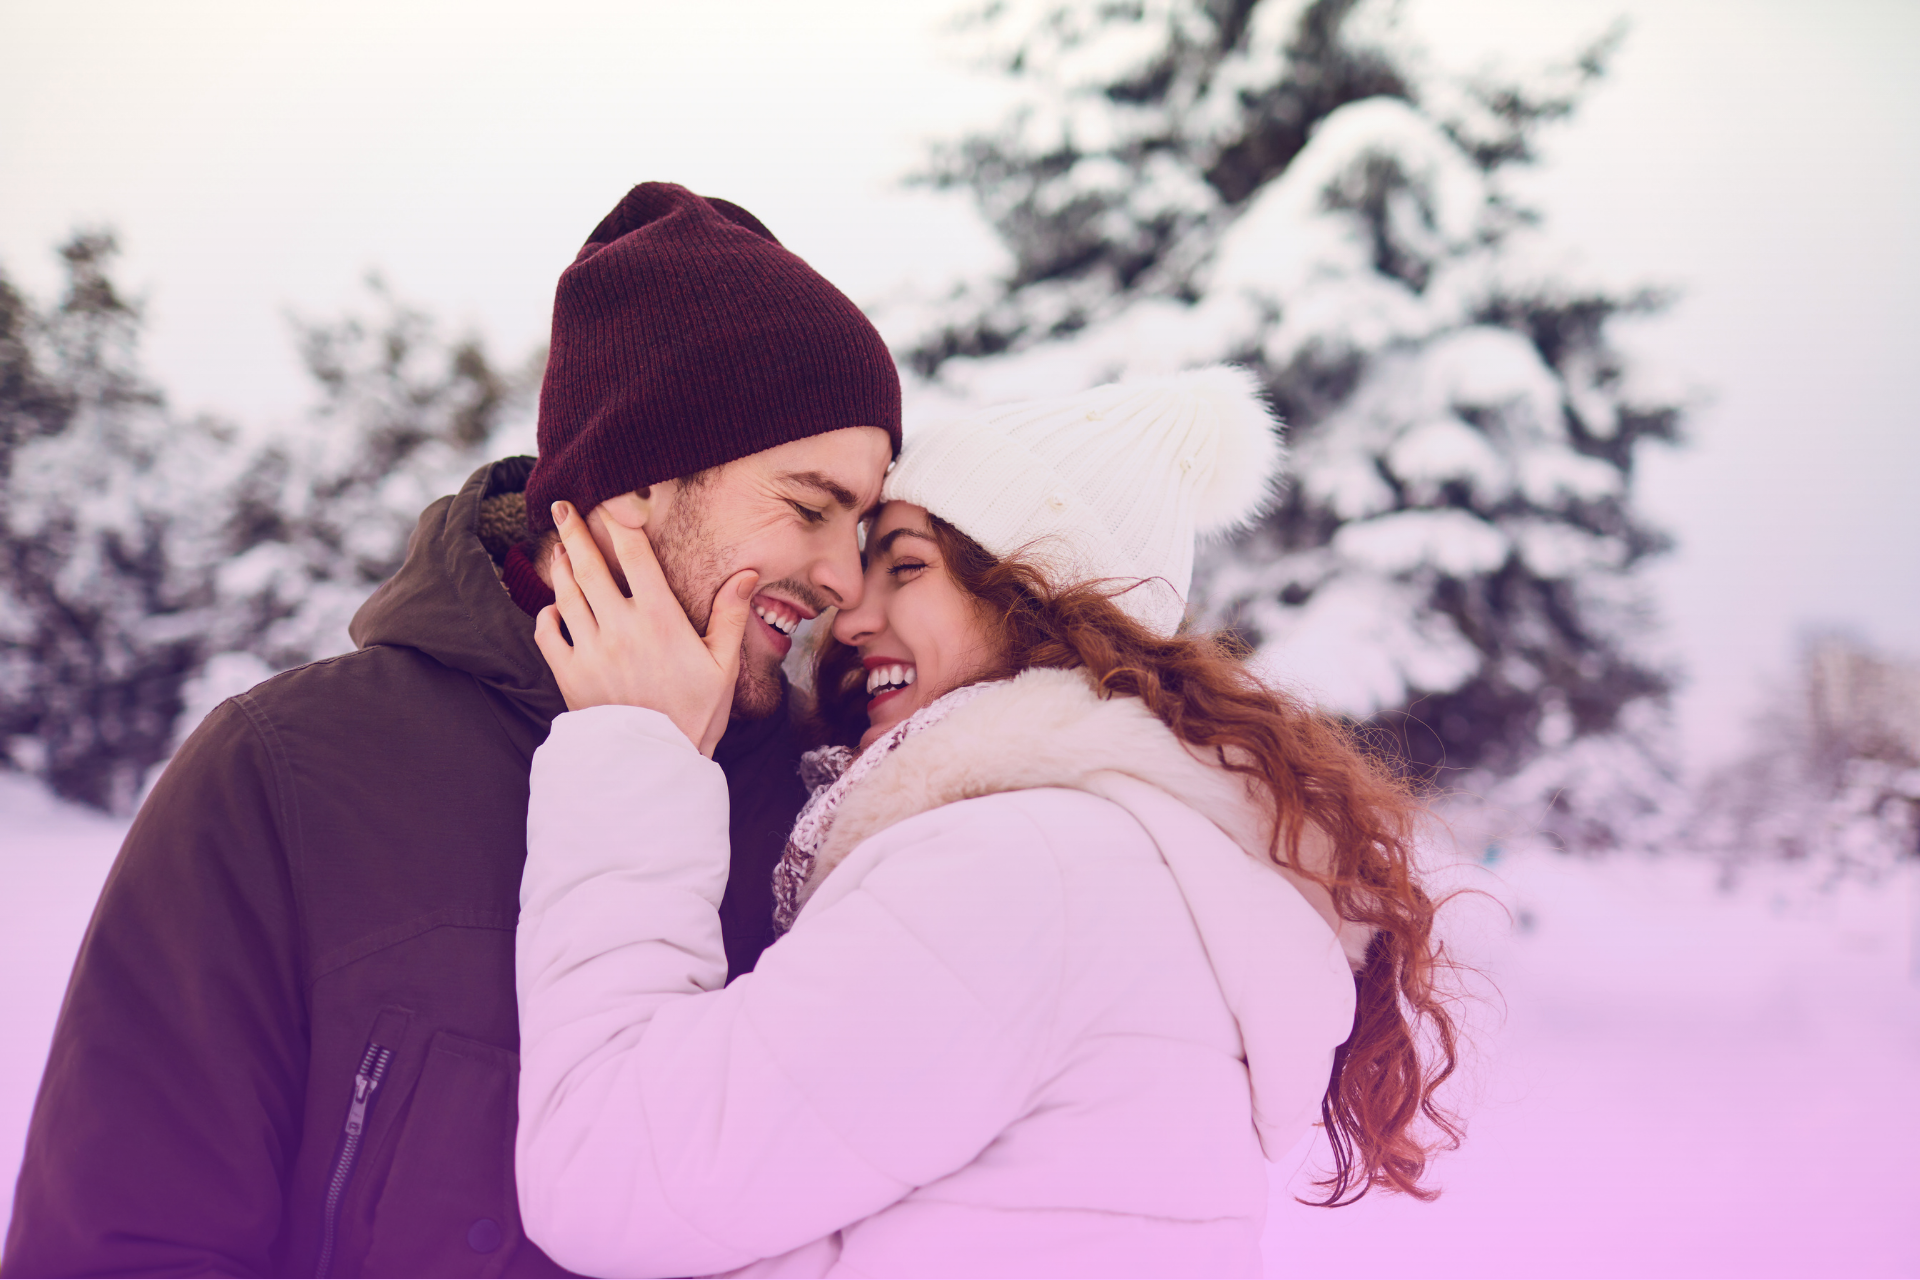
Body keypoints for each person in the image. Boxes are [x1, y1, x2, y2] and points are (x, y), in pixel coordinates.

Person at [1, 183, 899, 1278]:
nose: (844, 578)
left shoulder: (833, 809)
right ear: (635, 484)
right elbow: (124, 1244)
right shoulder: (286, 774)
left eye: (861, 522)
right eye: (809, 507)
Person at [513, 365, 1462, 1278]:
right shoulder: (1127, 859)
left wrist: (632, 749)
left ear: (1043, 604)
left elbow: (611, 1179)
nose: (846, 616)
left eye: (907, 567)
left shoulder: (1023, 870)